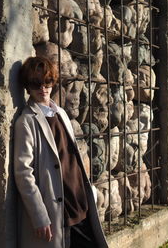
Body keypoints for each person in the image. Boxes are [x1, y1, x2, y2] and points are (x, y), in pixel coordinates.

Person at [14, 56, 108, 248]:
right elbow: (23, 173)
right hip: (59, 209)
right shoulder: (26, 121)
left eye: (47, 81)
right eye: (35, 83)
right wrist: (39, 215)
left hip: (80, 200)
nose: (43, 88)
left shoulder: (61, 113)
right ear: (27, 86)